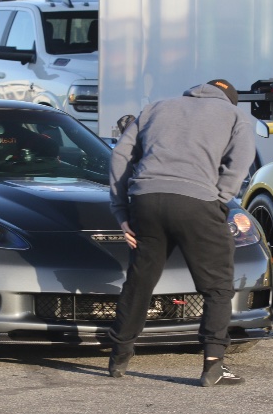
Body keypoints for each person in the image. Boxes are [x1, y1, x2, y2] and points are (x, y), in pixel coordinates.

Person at [107, 79, 255, 387]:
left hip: (146, 200)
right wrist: (220, 196)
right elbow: (240, 162)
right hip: (197, 202)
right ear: (230, 99)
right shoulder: (234, 116)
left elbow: (120, 156)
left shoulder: (154, 109)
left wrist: (122, 212)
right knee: (216, 286)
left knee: (141, 278)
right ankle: (213, 364)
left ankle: (119, 354)